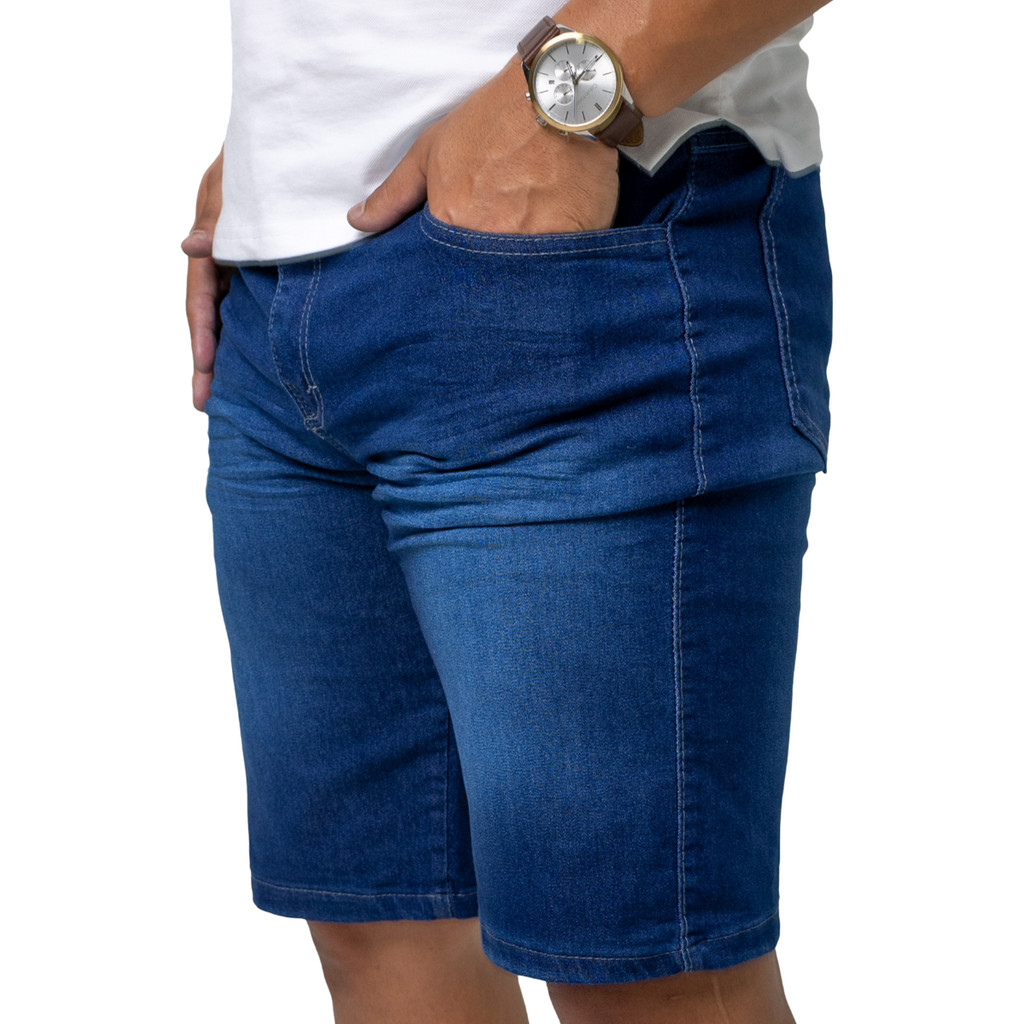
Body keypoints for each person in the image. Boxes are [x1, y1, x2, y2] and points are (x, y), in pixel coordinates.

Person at [183, 1, 834, 1021]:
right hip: (280, 276)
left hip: (591, 244)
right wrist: (289, 134)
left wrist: (558, 102)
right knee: (380, 924)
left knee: (641, 971)